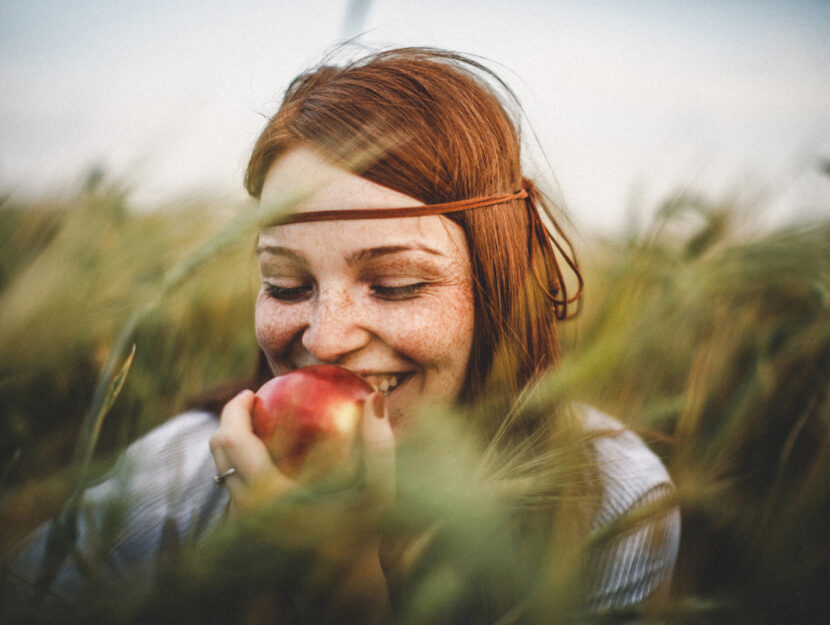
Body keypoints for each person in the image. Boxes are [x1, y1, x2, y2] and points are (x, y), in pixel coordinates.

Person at [3, 47, 679, 622]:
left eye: (397, 284)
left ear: (498, 288)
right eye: (286, 283)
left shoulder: (606, 503)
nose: (325, 341)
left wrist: (343, 594)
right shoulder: (170, 486)